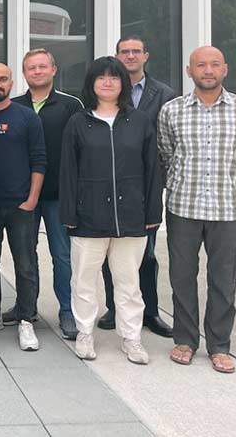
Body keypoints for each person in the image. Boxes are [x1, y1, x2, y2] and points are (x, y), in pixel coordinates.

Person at [158, 46, 236, 374]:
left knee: (224, 279)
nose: (208, 70)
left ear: (225, 70)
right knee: (182, 277)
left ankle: (219, 345)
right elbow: (166, 153)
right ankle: (185, 340)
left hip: (226, 208)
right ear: (189, 71)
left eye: (214, 64)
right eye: (200, 65)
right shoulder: (172, 111)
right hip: (182, 206)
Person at [60, 57, 163, 364]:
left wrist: (152, 213)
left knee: (130, 283)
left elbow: (152, 170)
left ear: (123, 83)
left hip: (131, 217)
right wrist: (69, 215)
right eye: (101, 77)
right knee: (83, 280)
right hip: (88, 218)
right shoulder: (79, 122)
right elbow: (68, 172)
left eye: (114, 78)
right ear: (91, 83)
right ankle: (85, 333)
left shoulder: (140, 121)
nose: (108, 82)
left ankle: (131, 338)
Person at [96, 36, 176, 338]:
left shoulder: (165, 94)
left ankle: (150, 312)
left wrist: (160, 182)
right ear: (116, 56)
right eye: (124, 52)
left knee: (147, 253)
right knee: (109, 249)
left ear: (146, 56)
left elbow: (170, 142)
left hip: (145, 187)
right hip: (108, 185)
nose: (130, 56)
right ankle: (115, 308)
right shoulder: (107, 92)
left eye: (135, 52)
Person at [8, 49, 82, 340]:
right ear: (25, 73)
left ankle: (67, 310)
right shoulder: (14, 105)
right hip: (22, 195)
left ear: (53, 69)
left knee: (61, 254)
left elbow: (81, 151)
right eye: (31, 68)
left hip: (58, 195)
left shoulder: (70, 106)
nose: (37, 72)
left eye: (42, 67)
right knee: (24, 255)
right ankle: (26, 306)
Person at [0, 63, 46, 352]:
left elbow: (39, 160)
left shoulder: (26, 117)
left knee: (25, 263)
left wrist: (31, 199)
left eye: (3, 79)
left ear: (11, 82)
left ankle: (26, 319)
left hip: (20, 205)